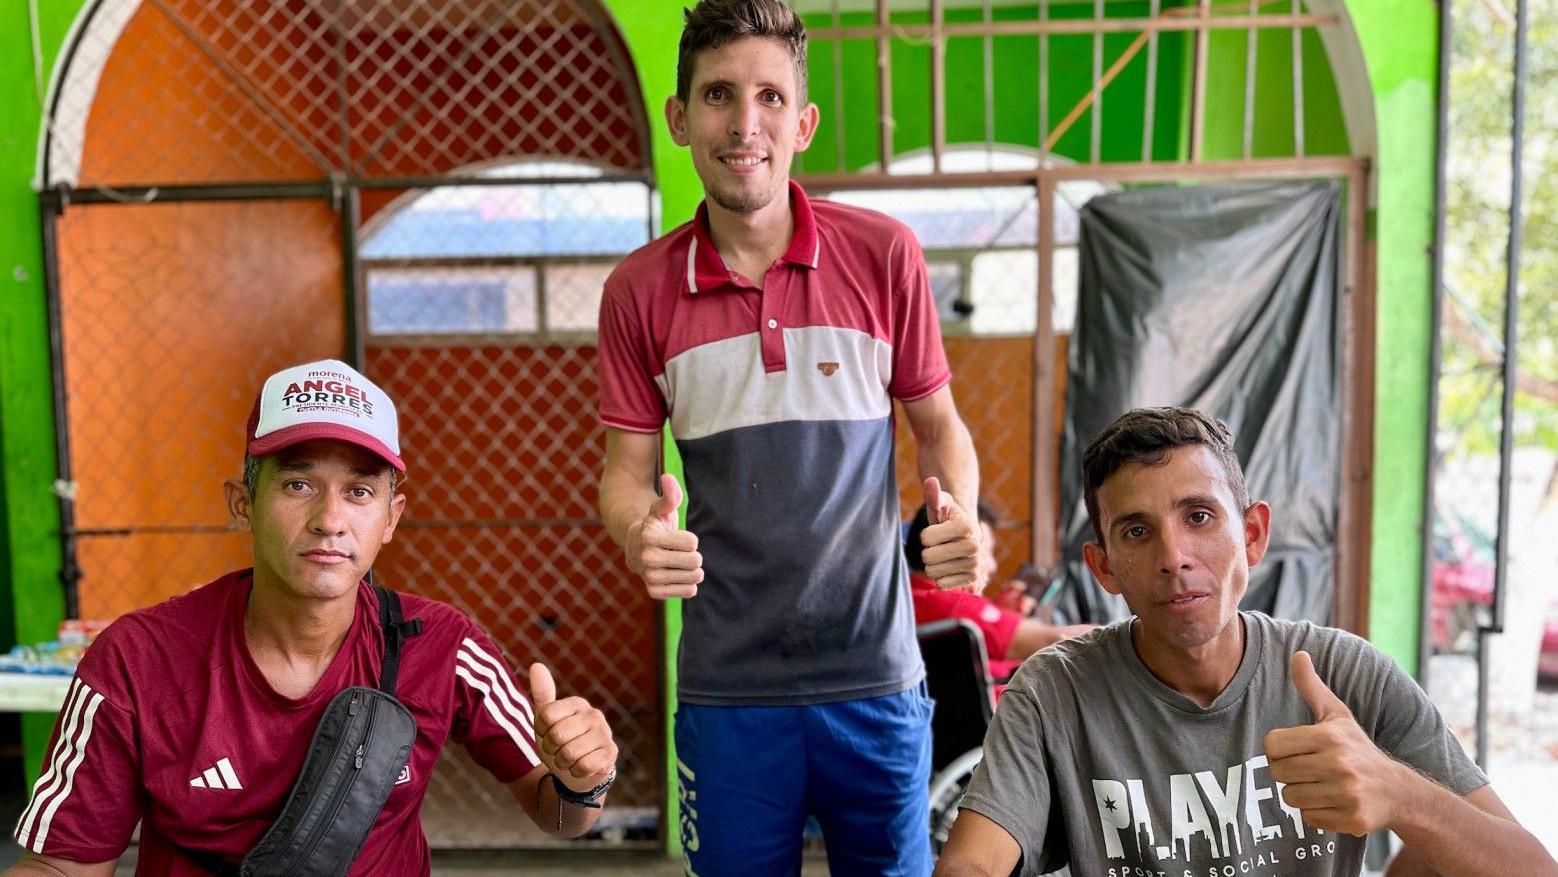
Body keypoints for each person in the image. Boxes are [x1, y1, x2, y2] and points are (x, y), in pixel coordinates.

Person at [594, 0, 981, 872]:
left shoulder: (885, 255)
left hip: (876, 682)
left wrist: (958, 512)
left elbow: (939, 426)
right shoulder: (636, 293)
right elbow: (624, 474)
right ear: (680, 117)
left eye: (770, 97)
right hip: (728, 694)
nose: (745, 123)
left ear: (802, 123)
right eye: (720, 94)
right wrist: (636, 531)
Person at [8, 360, 618, 876]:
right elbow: (61, 864)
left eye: (359, 492)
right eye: (298, 484)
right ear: (242, 504)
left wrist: (584, 779)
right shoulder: (137, 660)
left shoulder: (442, 646)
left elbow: (559, 813)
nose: (331, 519)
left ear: (391, 517)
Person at [934, 407, 1557, 877]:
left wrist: (1399, 794)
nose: (1173, 557)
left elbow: (1531, 866)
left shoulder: (1343, 673)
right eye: (1136, 531)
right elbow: (971, 864)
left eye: (1199, 517)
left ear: (1253, 535)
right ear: (1104, 568)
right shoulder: (1055, 691)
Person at [905, 501, 1092, 682]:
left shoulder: (906, 600)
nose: (992, 566)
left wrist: (1002, 614)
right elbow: (1059, 639)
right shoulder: (957, 607)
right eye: (984, 552)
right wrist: (1117, 635)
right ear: (951, 548)